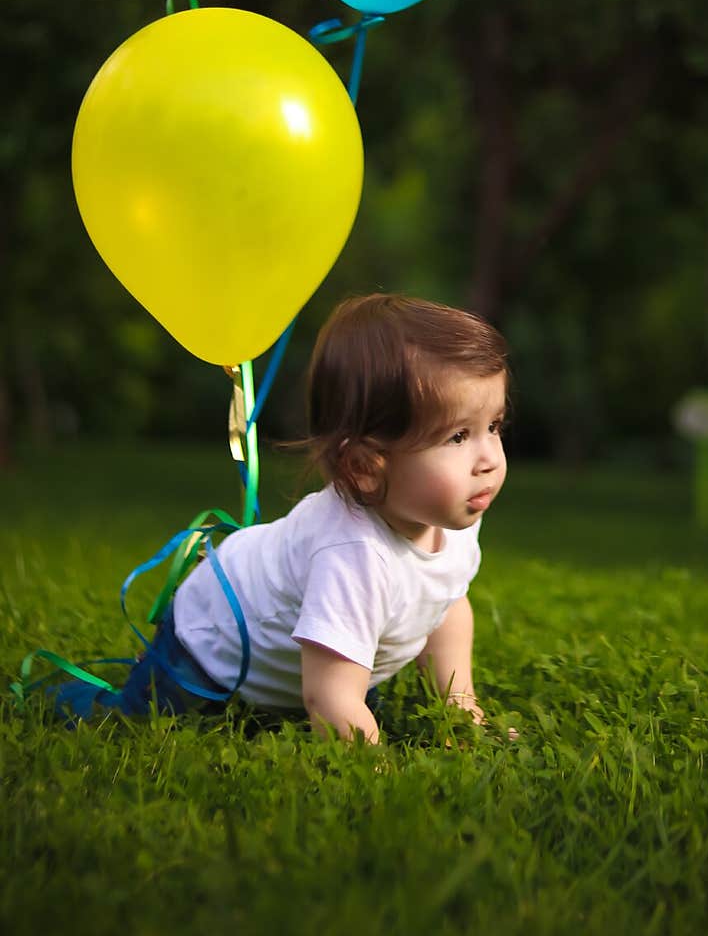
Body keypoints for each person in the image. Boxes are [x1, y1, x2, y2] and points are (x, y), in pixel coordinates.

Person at [49, 293, 509, 744]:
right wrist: (379, 775)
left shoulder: (452, 518)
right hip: (212, 642)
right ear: (366, 468)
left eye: (493, 426)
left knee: (333, 692)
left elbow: (446, 600)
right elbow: (330, 700)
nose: (488, 457)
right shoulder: (353, 554)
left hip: (293, 660)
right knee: (134, 722)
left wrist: (458, 705)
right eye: (457, 436)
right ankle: (63, 701)